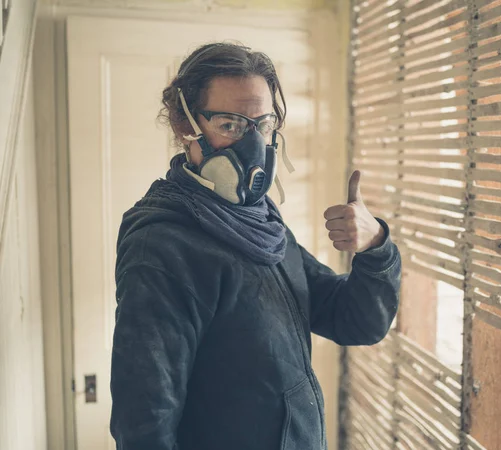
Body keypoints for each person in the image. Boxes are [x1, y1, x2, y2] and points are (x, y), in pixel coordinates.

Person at [109, 42, 401, 450]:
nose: (252, 147)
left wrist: (375, 248)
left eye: (261, 125)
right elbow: (144, 425)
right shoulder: (161, 247)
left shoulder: (260, 220)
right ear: (184, 126)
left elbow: (355, 320)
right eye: (229, 124)